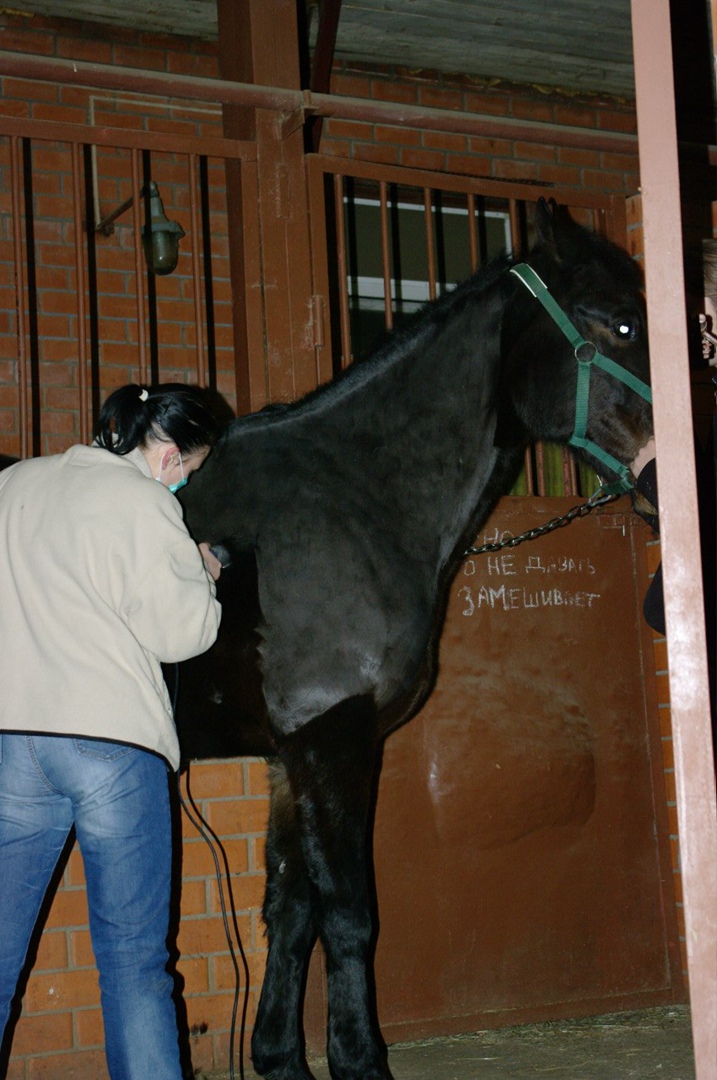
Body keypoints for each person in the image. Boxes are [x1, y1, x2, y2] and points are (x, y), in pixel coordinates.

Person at [0, 383, 223, 1079]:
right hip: (108, 745)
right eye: (190, 464)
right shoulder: (145, 501)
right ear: (165, 453)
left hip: (12, 739)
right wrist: (205, 574)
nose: (187, 478)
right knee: (133, 966)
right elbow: (179, 634)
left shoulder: (14, 482)